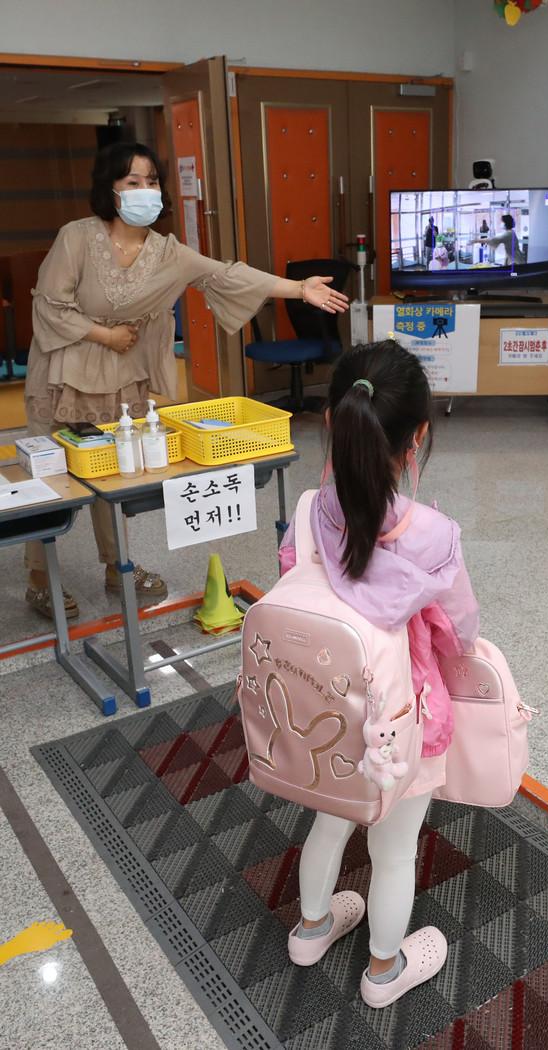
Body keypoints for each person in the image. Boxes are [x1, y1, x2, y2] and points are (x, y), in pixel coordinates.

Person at [23, 142, 348, 621]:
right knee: (51, 478)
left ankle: (117, 565)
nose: (145, 190)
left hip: (122, 379)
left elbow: (229, 275)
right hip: (62, 373)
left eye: (152, 181)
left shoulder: (167, 253)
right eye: (133, 182)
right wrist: (106, 334)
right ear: (110, 189)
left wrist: (299, 289)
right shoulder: (77, 237)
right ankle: (39, 577)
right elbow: (49, 305)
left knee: (114, 471)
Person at [278, 341, 479, 1008]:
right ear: (417, 437)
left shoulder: (309, 512)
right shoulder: (433, 535)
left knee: (328, 822)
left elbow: (297, 588)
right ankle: (384, 972)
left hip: (322, 711)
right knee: (394, 852)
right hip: (400, 722)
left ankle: (311, 930)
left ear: (332, 422)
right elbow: (459, 632)